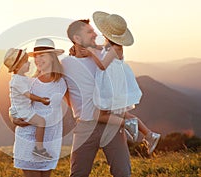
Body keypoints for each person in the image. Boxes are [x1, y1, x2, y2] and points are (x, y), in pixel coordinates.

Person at [62, 18, 131, 176]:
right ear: (77, 39)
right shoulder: (66, 63)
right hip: (85, 126)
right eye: (89, 32)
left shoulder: (105, 54)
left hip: (111, 125)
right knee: (78, 173)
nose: (95, 34)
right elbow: (55, 86)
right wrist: (75, 107)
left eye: (93, 31)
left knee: (123, 173)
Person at [87, 11, 161, 155]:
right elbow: (101, 50)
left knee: (100, 114)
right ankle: (150, 134)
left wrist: (90, 54)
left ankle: (129, 125)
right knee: (123, 113)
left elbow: (103, 65)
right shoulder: (113, 46)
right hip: (115, 84)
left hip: (111, 86)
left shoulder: (115, 48)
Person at [10, 38, 67, 177]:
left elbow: (76, 103)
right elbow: (15, 104)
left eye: (42, 56)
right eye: (36, 56)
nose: (38, 60)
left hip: (50, 138)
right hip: (28, 136)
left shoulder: (62, 82)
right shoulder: (30, 83)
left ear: (52, 58)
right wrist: (12, 117)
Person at [4, 48, 53, 160]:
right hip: (22, 110)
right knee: (41, 122)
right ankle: (39, 149)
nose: (29, 62)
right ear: (17, 67)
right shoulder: (18, 80)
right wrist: (41, 99)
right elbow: (28, 95)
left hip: (21, 109)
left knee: (38, 122)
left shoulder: (22, 78)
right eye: (25, 61)